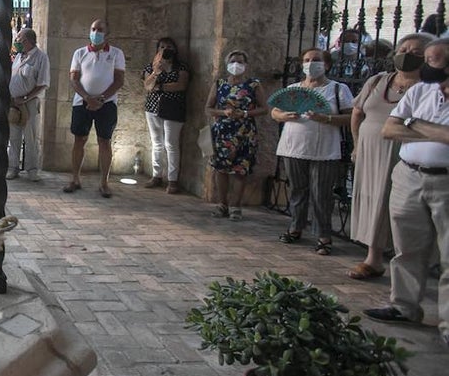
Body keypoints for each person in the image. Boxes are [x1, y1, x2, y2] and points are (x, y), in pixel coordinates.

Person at [365, 36, 449, 349]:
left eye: (435, 60)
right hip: (409, 176)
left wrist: (414, 125)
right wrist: (435, 131)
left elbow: (407, 127)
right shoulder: (419, 90)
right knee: (407, 248)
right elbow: (390, 129)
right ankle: (404, 306)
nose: (428, 66)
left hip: (446, 183)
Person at [347, 33, 431, 279]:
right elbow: (357, 113)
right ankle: (373, 257)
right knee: (371, 197)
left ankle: (398, 258)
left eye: (416, 52)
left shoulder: (429, 88)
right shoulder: (377, 81)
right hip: (370, 149)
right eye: (404, 49)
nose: (407, 55)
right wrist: (356, 143)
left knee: (393, 203)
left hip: (401, 152)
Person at [271, 48, 354, 256]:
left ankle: (323, 235)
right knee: (298, 189)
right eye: (307, 60)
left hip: (324, 149)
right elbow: (274, 110)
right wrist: (283, 116)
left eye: (316, 60)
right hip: (294, 146)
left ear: (326, 65)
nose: (311, 63)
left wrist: (325, 118)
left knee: (321, 193)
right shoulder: (294, 88)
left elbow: (351, 117)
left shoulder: (338, 89)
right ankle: (295, 227)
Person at [64, 19, 125, 198]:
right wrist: (87, 98)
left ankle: (104, 183)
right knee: (79, 140)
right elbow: (74, 79)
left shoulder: (116, 53)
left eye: (100, 29)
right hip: (82, 103)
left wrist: (101, 98)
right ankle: (75, 179)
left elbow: (119, 79)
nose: (95, 32)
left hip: (106, 104)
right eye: (93, 29)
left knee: (104, 141)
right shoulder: (80, 53)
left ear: (107, 34)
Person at [205, 50, 268, 220]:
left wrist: (246, 113)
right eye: (233, 61)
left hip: (244, 132)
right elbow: (208, 108)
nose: (236, 65)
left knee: (241, 169)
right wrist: (223, 112)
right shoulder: (220, 84)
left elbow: (264, 108)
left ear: (245, 65)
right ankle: (222, 203)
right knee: (221, 169)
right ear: (227, 64)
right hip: (222, 132)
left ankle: (236, 206)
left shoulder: (253, 85)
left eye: (240, 62)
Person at [142, 37, 190, 193]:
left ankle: (173, 180)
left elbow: (181, 85)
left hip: (173, 108)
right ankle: (157, 176)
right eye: (161, 47)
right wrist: (156, 71)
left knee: (171, 144)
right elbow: (148, 86)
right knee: (157, 143)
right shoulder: (152, 66)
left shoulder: (181, 67)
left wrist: (160, 87)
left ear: (174, 50)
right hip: (153, 108)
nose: (165, 50)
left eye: (168, 47)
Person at [6, 28, 51, 182]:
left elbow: (43, 83)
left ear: (28, 40)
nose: (16, 41)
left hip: (29, 103)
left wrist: (25, 97)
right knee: (14, 136)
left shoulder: (41, 57)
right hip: (14, 103)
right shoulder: (18, 55)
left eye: (19, 38)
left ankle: (32, 169)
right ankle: (13, 167)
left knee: (30, 137)